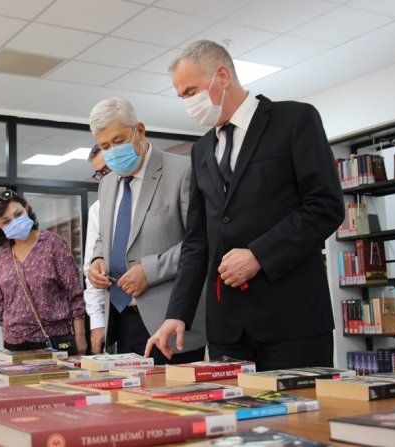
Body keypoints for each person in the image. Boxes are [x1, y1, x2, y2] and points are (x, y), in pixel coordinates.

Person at [145, 40, 345, 370]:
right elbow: (197, 240)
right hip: (227, 330)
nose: (187, 103)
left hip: (292, 321)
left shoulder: (294, 120)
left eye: (191, 91)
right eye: (181, 96)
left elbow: (325, 206)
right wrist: (177, 313)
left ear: (222, 76)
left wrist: (258, 255)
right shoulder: (201, 150)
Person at [87, 97, 206, 364]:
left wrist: (149, 271)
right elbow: (105, 236)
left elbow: (200, 241)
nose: (112, 151)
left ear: (139, 130)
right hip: (120, 319)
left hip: (168, 322)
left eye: (118, 141)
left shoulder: (183, 171)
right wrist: (97, 259)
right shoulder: (107, 183)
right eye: (105, 146)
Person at [0, 190, 87, 355]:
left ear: (27, 208)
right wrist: (5, 330)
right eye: (6, 221)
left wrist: (80, 336)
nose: (14, 222)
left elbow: (75, 294)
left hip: (53, 339)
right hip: (14, 343)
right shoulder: (2, 255)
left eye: (18, 214)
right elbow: (0, 301)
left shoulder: (53, 244)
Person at [83, 144, 111, 354]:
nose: (105, 178)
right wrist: (97, 320)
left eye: (107, 170)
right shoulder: (98, 209)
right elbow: (91, 269)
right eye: (100, 174)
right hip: (117, 314)